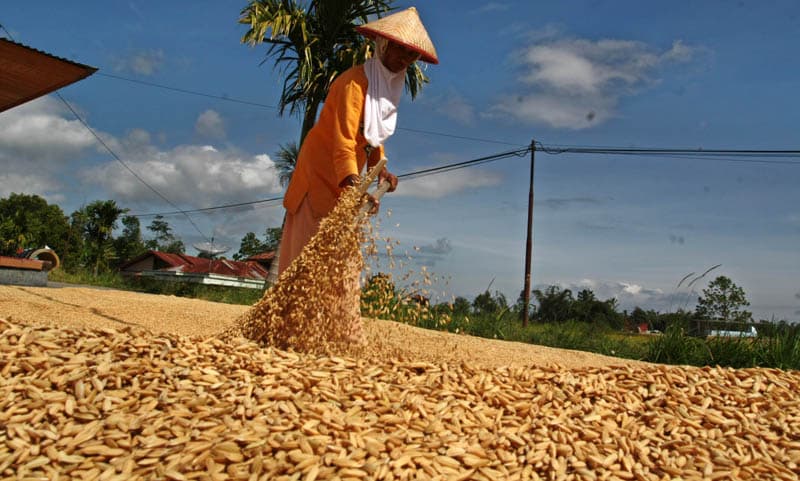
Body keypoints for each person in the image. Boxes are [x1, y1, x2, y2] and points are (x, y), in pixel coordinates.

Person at [276, 6, 438, 342]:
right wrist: (353, 185)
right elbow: (343, 140)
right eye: (400, 49)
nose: (405, 58)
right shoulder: (353, 83)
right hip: (320, 176)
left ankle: (340, 337)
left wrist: (382, 169)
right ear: (381, 45)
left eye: (411, 53)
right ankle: (291, 333)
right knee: (308, 257)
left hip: (345, 183)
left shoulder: (385, 89)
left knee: (344, 262)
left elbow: (373, 138)